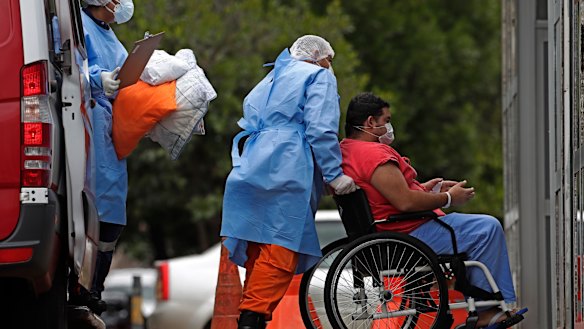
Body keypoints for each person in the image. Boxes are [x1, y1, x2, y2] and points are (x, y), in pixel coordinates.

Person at [340, 92, 523, 328]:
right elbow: (405, 202)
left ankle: (479, 301)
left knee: (477, 228)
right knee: (487, 228)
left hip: (389, 231)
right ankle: (487, 309)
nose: (388, 126)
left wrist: (429, 188)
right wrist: (447, 198)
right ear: (370, 122)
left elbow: (385, 194)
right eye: (386, 120)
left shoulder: (347, 150)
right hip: (406, 234)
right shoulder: (373, 154)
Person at [221, 35, 357, 329]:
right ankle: (252, 317)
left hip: (253, 162)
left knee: (259, 245)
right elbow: (321, 129)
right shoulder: (318, 76)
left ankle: (251, 314)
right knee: (282, 244)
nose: (329, 66)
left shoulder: (270, 79)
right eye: (329, 59)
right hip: (289, 163)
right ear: (318, 56)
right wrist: (334, 175)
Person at [68, 0, 133, 315]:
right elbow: (68, 65)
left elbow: (129, 75)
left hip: (110, 133)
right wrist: (98, 79)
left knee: (111, 220)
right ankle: (82, 289)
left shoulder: (109, 36)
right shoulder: (77, 26)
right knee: (93, 216)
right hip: (89, 127)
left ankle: (94, 289)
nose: (122, 5)